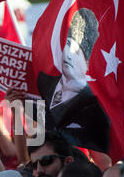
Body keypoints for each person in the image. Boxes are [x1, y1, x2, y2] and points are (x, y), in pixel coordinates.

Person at [37, 8, 111, 153]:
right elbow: (33, 146)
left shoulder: (95, 106)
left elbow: (102, 156)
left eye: (77, 52)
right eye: (68, 45)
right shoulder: (43, 82)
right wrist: (16, 109)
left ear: (87, 64)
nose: (69, 55)